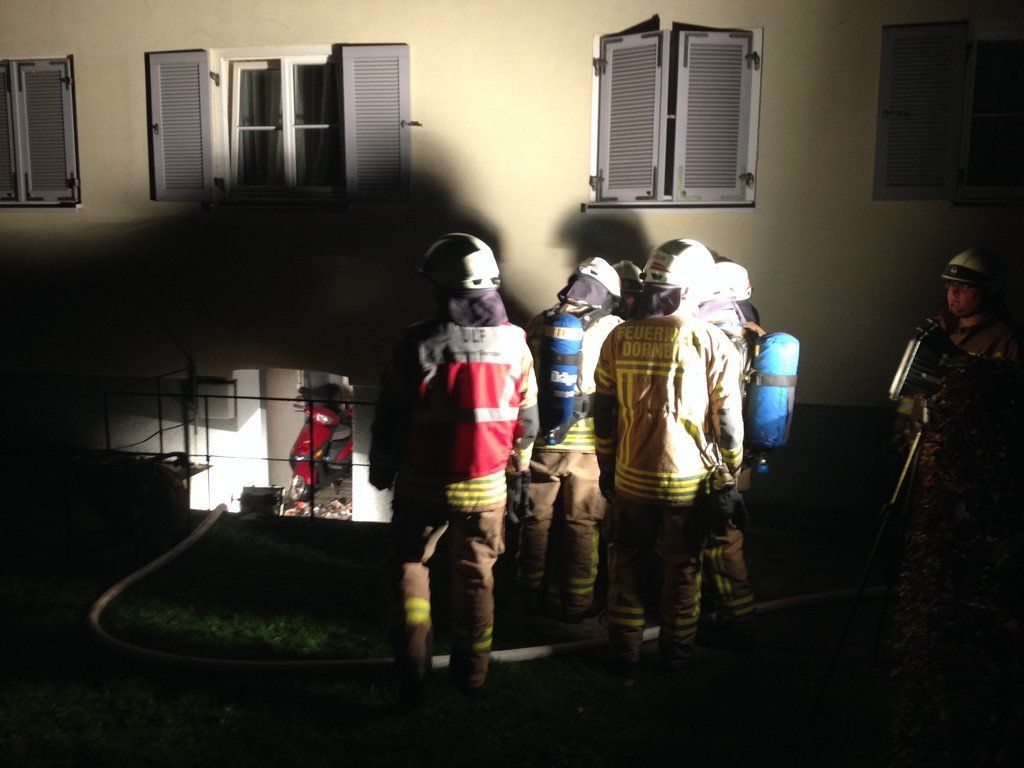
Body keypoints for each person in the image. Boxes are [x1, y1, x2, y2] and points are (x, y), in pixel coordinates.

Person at [369, 233, 538, 705]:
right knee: (476, 575)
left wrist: (382, 465)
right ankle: (473, 675)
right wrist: (521, 473)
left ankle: (412, 667)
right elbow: (527, 420)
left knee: (409, 563)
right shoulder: (516, 343)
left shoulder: (416, 341)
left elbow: (391, 413)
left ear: (441, 287)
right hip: (486, 487)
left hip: (422, 483)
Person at [593, 238, 749, 672]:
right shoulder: (711, 340)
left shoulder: (618, 336)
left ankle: (623, 655)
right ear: (693, 288)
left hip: (629, 479)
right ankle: (676, 658)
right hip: (688, 484)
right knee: (683, 570)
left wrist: (607, 466)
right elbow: (728, 422)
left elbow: (603, 413)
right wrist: (730, 473)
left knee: (626, 565)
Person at [519, 257, 623, 621]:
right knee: (583, 524)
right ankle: (577, 603)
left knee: (534, 521)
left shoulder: (538, 321)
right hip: (589, 448)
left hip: (542, 442)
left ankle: (529, 595)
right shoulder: (614, 328)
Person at [936, 247, 1020, 362]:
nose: (953, 291)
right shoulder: (939, 325)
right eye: (951, 284)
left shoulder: (1006, 340)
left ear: (990, 292)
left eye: (965, 286)